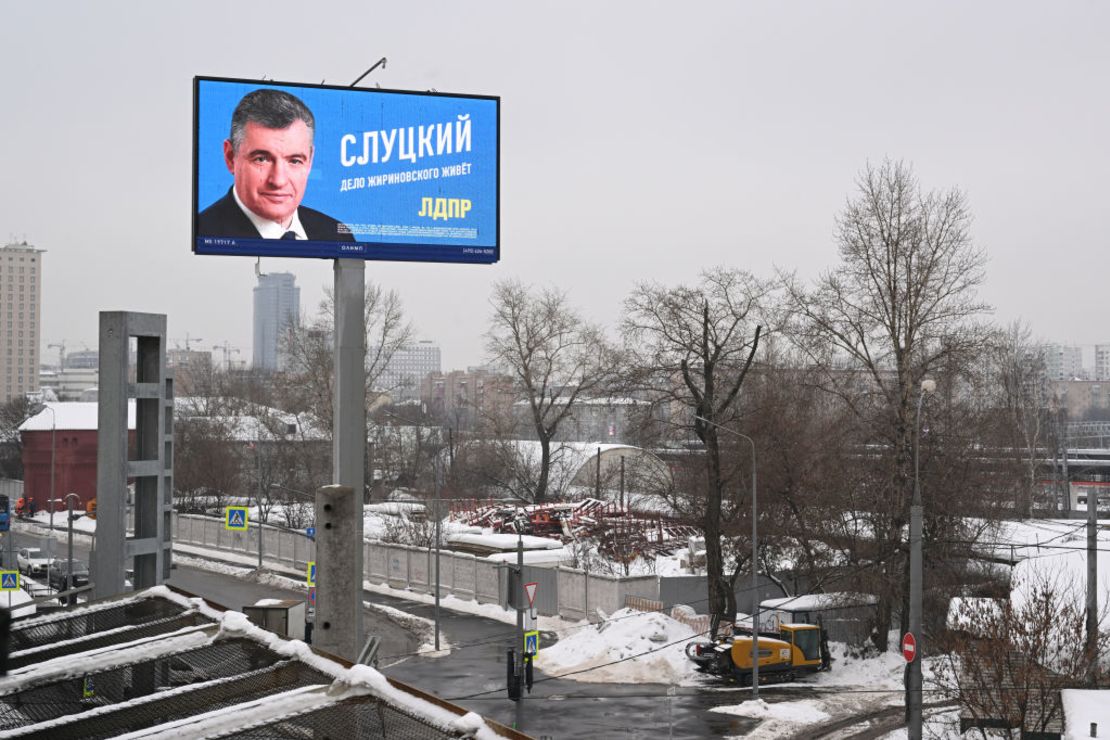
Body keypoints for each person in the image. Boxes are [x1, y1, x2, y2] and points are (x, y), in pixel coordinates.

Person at [197, 88, 354, 241]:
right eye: (261, 159)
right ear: (231, 157)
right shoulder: (203, 232)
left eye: (294, 161)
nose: (278, 181)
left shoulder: (337, 234)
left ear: (310, 160)